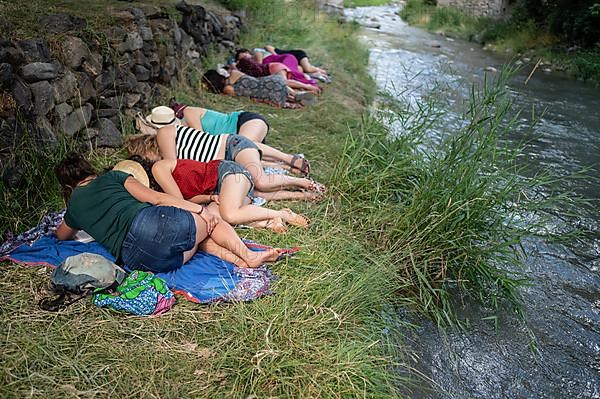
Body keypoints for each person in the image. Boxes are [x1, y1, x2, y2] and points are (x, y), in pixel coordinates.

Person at [54, 153, 282, 272]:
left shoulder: (74, 205)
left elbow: (61, 235)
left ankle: (236, 260)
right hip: (149, 223)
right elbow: (157, 198)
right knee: (212, 221)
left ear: (67, 187)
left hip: (139, 260)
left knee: (198, 237)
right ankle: (249, 256)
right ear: (89, 170)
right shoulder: (113, 177)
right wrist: (201, 210)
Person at [124, 125, 326, 194]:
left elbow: (175, 167)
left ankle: (303, 182)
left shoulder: (164, 134)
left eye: (143, 156)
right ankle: (290, 172)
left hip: (233, 146)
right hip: (229, 163)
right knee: (256, 185)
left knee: (261, 182)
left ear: (145, 147)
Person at [150, 158, 312, 233]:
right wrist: (209, 198)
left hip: (228, 173)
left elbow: (179, 202)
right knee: (213, 221)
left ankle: (283, 214)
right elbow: (189, 200)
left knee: (230, 214)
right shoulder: (162, 189)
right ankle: (269, 222)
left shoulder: (158, 167)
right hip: (222, 190)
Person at [145, 106, 312, 176]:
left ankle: (290, 159)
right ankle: (283, 167)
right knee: (246, 157)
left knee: (245, 143)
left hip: (244, 121)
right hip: (232, 142)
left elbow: (201, 137)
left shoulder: (188, 113)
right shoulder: (178, 134)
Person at [201, 69, 316, 108]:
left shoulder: (227, 90)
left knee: (270, 94)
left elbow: (245, 97)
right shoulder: (234, 73)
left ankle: (292, 100)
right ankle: (295, 95)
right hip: (271, 81)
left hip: (269, 95)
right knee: (276, 85)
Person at [235, 48, 319, 93]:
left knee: (285, 81)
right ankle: (308, 88)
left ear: (247, 52)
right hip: (276, 67)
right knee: (293, 77)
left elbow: (260, 65)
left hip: (282, 61)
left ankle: (310, 85)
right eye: (242, 58)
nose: (245, 58)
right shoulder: (251, 66)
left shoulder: (257, 53)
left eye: (244, 55)